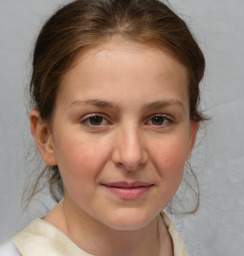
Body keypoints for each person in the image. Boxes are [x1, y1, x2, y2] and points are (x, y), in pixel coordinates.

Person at [0, 0, 205, 255]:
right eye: (95, 120)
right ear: (46, 138)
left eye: (158, 120)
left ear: (190, 137)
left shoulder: (175, 243)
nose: (131, 156)